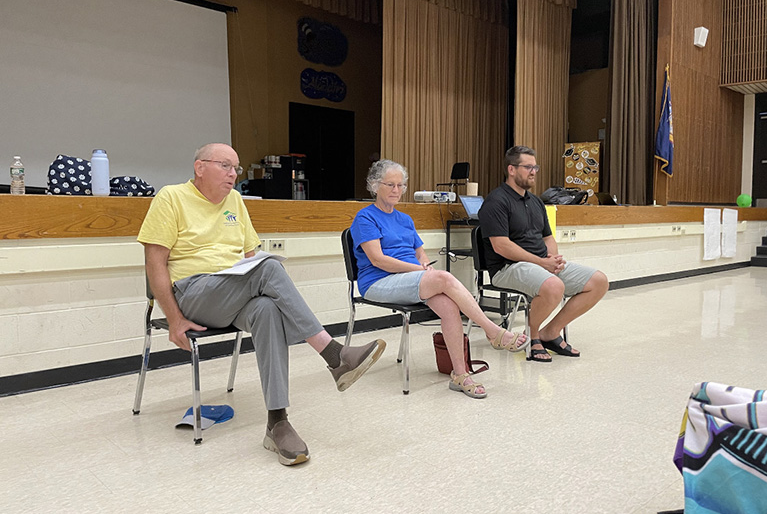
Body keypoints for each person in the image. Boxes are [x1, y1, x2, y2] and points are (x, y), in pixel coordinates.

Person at [137, 143, 386, 466]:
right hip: (192, 294)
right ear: (200, 167)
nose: (233, 174)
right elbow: (154, 264)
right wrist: (173, 318)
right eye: (225, 166)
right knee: (270, 269)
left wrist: (259, 286)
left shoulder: (235, 201)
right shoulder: (171, 198)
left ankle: (277, 422)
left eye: (236, 168)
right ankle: (333, 354)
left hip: (230, 291)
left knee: (267, 308)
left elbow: (250, 257)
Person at [349, 159, 529, 399]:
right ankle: (492, 331)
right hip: (378, 282)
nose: (396, 190)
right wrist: (419, 270)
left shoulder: (405, 219)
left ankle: (460, 374)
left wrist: (422, 263)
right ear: (374, 185)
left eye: (401, 185)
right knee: (443, 278)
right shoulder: (365, 217)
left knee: (449, 307)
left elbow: (419, 251)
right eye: (390, 184)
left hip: (410, 278)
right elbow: (378, 260)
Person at [478, 145, 608, 362]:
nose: (533, 172)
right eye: (528, 167)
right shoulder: (496, 201)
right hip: (508, 267)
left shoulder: (536, 202)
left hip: (540, 265)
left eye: (535, 167)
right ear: (511, 170)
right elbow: (501, 246)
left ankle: (551, 332)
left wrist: (551, 260)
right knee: (553, 286)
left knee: (599, 281)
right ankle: (533, 336)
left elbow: (547, 237)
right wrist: (540, 262)